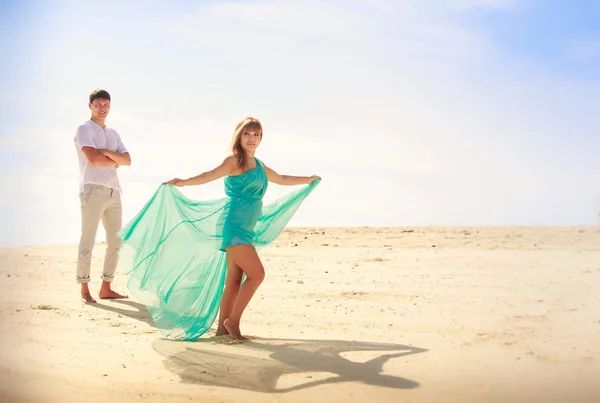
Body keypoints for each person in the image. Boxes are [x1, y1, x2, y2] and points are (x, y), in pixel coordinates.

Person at [117, 116, 321, 341]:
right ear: (239, 136)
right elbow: (209, 175)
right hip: (234, 227)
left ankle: (223, 330)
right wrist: (184, 182)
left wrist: (307, 179)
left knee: (234, 279)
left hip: (246, 230)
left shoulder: (260, 165)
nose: (252, 138)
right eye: (247, 134)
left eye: (256, 134)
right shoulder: (234, 161)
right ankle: (232, 321)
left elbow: (281, 178)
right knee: (257, 274)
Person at [73, 89, 131, 303]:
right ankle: (84, 288)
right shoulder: (84, 129)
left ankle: (106, 287)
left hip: (113, 191)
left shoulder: (113, 134)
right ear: (90, 106)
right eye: (98, 104)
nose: (102, 107)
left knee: (116, 240)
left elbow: (127, 160)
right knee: (87, 238)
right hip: (92, 188)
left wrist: (105, 153)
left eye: (106, 104)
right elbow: (93, 159)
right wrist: (111, 158)